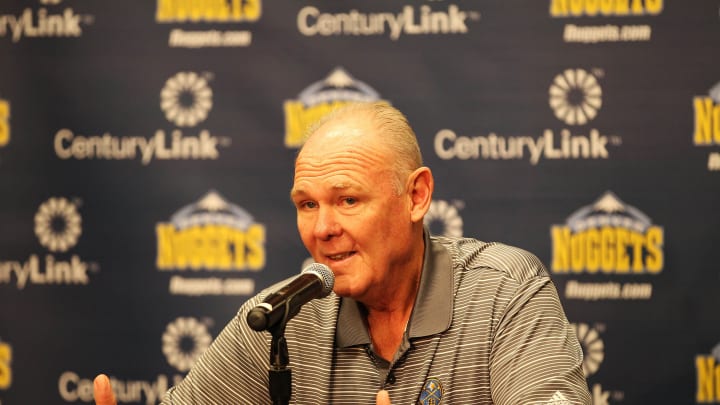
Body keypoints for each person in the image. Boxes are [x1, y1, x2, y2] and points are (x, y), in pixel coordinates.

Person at [94, 101, 591, 404]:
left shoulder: (504, 290)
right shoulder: (281, 318)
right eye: (307, 205)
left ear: (416, 197)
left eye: (348, 200)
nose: (323, 228)